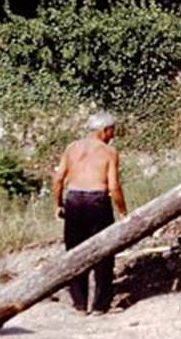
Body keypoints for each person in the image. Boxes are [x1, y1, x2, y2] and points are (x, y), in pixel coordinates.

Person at [52, 111, 128, 314]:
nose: (113, 135)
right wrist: (123, 212)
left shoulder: (71, 148)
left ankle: (79, 304)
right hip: (97, 202)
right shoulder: (109, 152)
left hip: (74, 200)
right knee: (104, 252)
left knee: (75, 251)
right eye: (112, 130)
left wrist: (58, 204)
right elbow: (113, 186)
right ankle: (100, 306)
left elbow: (58, 179)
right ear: (104, 130)